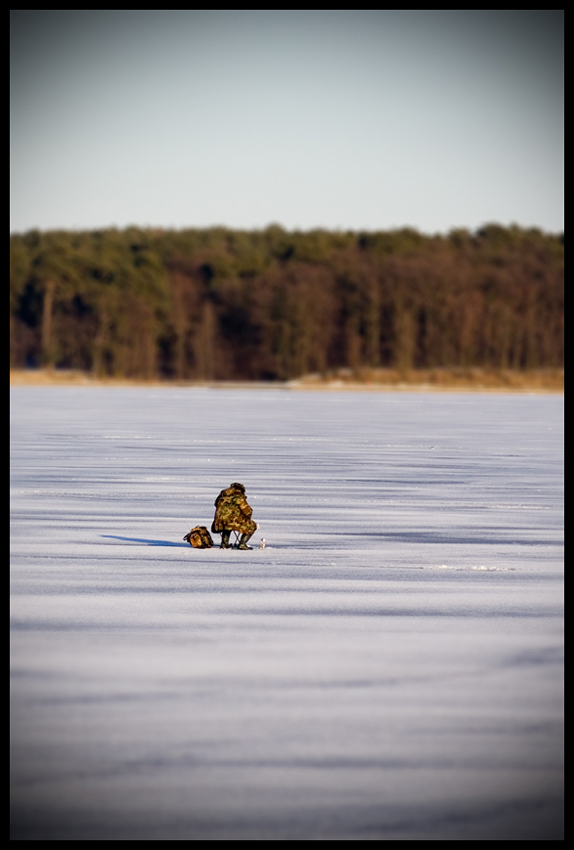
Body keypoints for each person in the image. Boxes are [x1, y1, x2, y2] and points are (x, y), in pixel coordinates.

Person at [211, 482, 257, 549]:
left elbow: (216, 504)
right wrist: (246, 517)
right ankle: (242, 544)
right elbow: (247, 511)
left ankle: (224, 543)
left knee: (227, 524)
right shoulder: (239, 496)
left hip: (218, 522)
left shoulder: (222, 495)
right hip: (231, 521)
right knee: (252, 525)